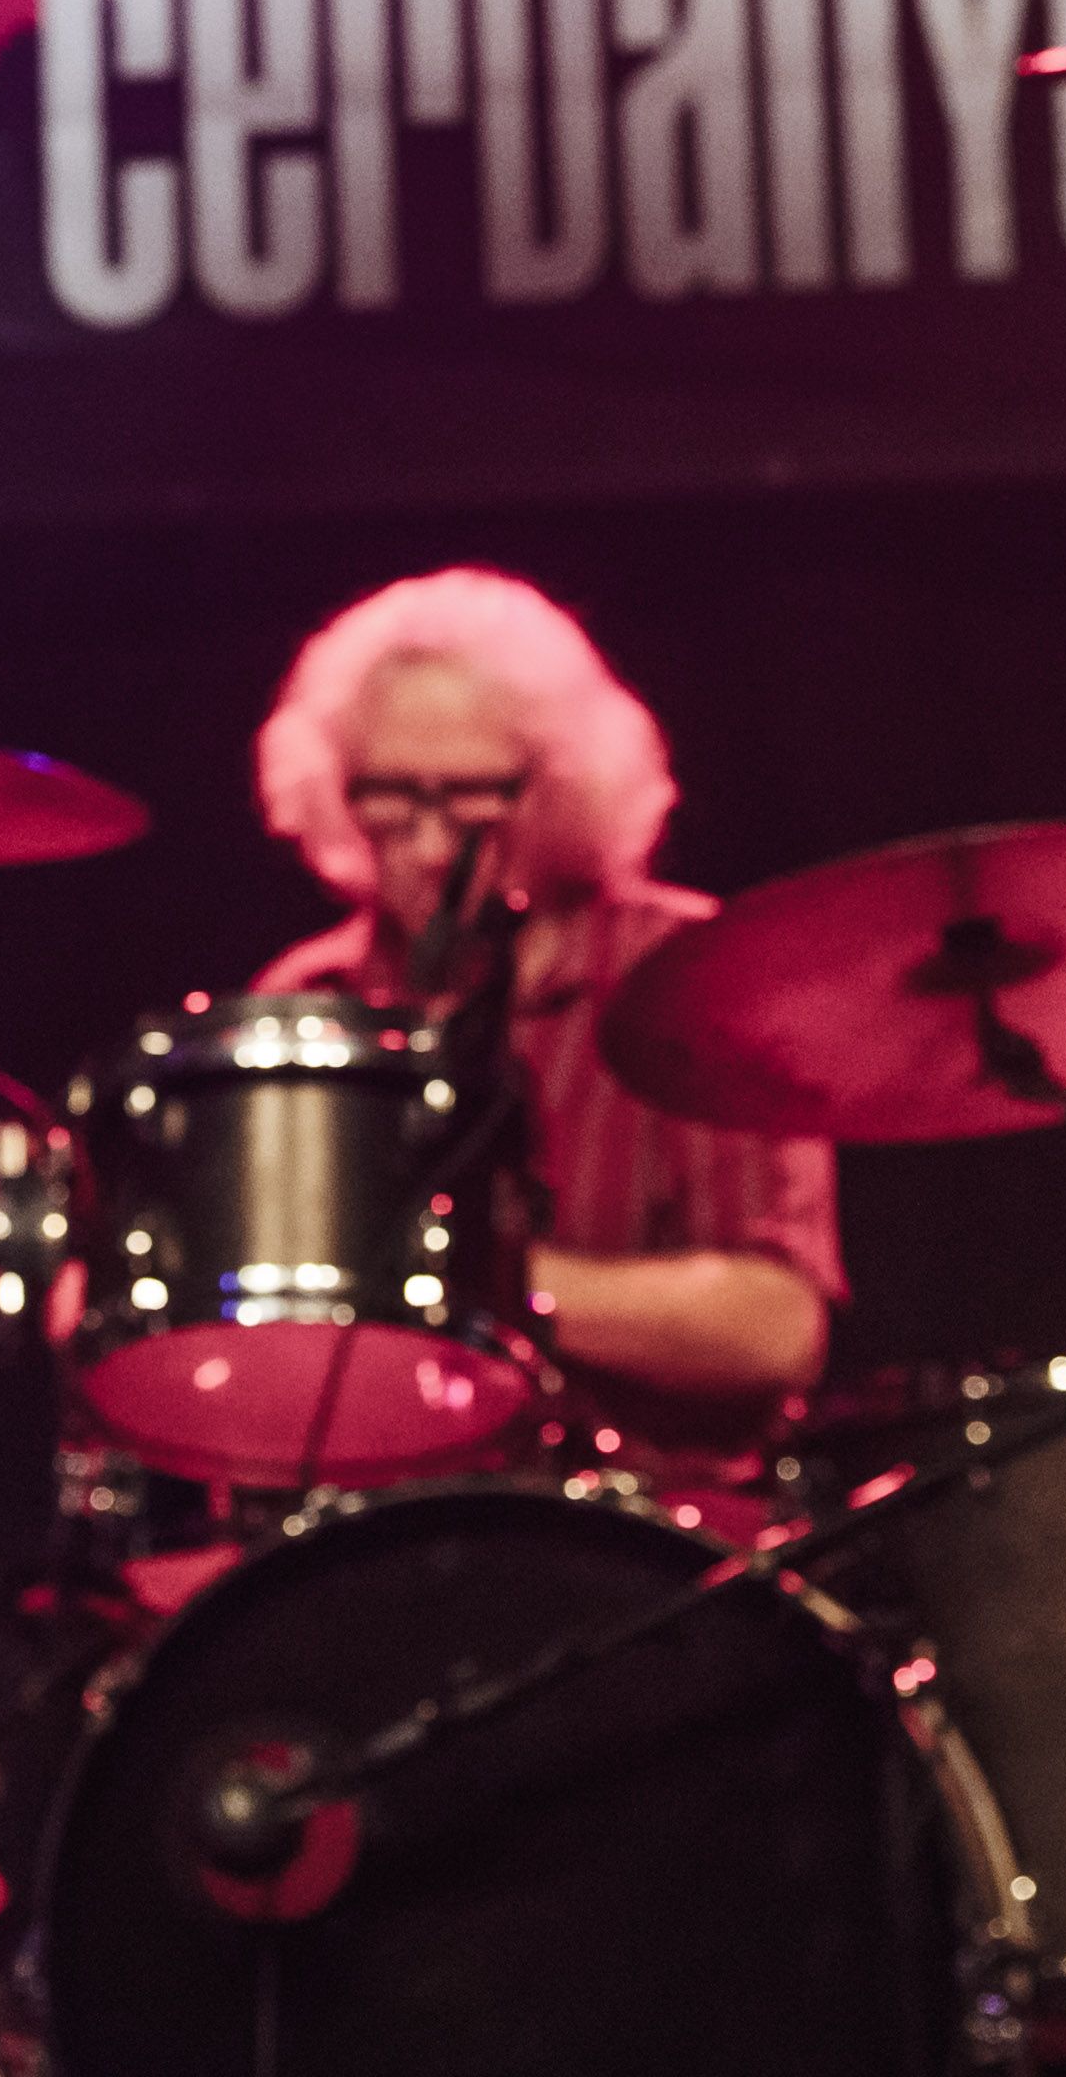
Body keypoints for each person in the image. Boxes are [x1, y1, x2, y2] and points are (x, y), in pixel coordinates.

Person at [242, 569, 840, 1484]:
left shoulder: (694, 982)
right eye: (390, 799)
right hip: (369, 1544)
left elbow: (774, 1329)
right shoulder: (306, 1002)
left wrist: (476, 1284)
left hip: (648, 1551)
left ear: (562, 784)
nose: (433, 846)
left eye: (473, 797)